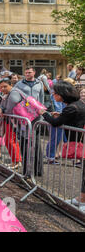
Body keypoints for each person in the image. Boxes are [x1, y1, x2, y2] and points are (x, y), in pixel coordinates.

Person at [38, 81, 85, 209]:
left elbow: (55, 122)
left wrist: (43, 113)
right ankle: (80, 199)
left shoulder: (71, 107)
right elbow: (68, 118)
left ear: (62, 94)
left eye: (55, 93)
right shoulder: (76, 105)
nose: (53, 95)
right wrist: (60, 115)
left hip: (79, 142)